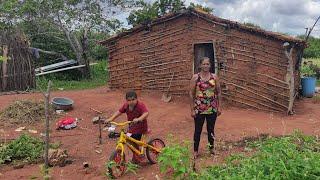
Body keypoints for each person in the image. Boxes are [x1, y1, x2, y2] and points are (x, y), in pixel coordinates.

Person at [189, 57, 222, 158]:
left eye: (207, 64)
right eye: (204, 64)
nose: (206, 66)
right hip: (199, 108)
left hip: (212, 108)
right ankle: (195, 151)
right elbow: (191, 93)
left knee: (211, 130)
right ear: (200, 65)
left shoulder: (214, 77)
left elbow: (219, 92)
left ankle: (211, 149)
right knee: (198, 130)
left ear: (210, 65)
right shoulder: (196, 77)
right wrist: (192, 109)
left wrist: (219, 107)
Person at [106, 90, 149, 163]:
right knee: (128, 138)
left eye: (133, 99)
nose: (131, 102)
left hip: (141, 127)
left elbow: (146, 113)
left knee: (132, 139)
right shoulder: (126, 106)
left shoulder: (140, 105)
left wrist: (139, 119)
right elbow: (119, 112)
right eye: (129, 100)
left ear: (136, 99)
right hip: (132, 127)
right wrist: (111, 119)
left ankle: (137, 155)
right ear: (126, 101)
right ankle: (137, 154)